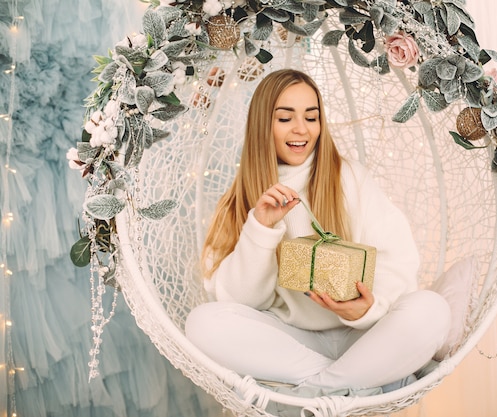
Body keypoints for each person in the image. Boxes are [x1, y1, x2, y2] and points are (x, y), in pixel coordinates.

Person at [185, 69, 451, 395]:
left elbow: (398, 262)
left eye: (311, 117)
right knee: (201, 323)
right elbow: (240, 303)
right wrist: (261, 227)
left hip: (364, 338)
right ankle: (352, 383)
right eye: (285, 118)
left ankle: (319, 389)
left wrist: (367, 308)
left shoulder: (349, 178)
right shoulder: (239, 201)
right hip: (293, 344)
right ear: (262, 125)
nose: (301, 129)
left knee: (432, 309)